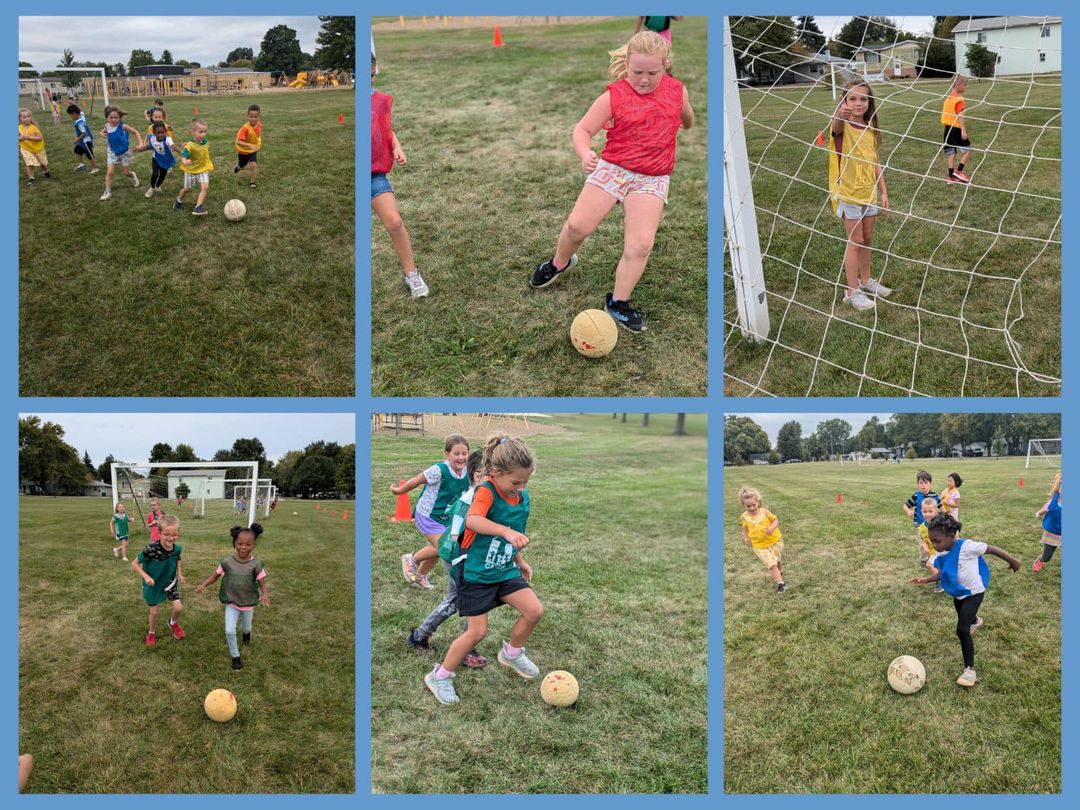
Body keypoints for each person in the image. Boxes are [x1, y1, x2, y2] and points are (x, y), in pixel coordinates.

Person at [530, 30, 694, 332]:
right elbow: (582, 130)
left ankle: (618, 302)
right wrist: (584, 154)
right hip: (613, 168)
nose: (643, 79)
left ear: (665, 65)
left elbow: (687, 118)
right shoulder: (614, 95)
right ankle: (559, 262)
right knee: (578, 226)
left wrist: (683, 120)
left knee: (641, 245)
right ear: (627, 65)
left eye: (652, 73)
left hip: (652, 177)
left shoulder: (677, 91)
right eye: (637, 72)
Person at [424, 434, 541, 705]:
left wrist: (519, 560)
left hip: (504, 569)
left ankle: (512, 653)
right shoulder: (486, 491)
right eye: (515, 482)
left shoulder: (521, 497)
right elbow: (474, 520)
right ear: (496, 473)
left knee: (534, 610)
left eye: (525, 482)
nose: (520, 488)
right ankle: (440, 675)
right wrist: (505, 531)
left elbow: (516, 532)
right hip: (476, 574)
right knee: (476, 632)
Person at [910, 514, 1020, 687]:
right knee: (966, 616)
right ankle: (976, 620)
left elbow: (992, 549)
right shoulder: (943, 552)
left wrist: (1012, 560)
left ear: (951, 536)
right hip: (959, 594)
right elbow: (943, 573)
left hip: (974, 593)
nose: (934, 545)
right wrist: (925, 580)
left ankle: (970, 671)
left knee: (962, 629)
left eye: (937, 541)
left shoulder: (968, 547)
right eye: (931, 541)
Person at [407, 449, 489, 668]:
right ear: (479, 475)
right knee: (458, 600)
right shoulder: (470, 500)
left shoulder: (486, 497)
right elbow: (458, 535)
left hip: (473, 559)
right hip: (458, 557)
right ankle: (422, 636)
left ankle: (454, 643)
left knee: (472, 600)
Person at [828, 80, 891, 312]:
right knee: (855, 242)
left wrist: (883, 191)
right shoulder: (842, 125)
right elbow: (836, 126)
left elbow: (875, 163)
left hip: (868, 194)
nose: (858, 103)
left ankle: (867, 281)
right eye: (852, 98)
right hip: (848, 194)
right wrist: (840, 114)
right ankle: (852, 292)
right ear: (844, 102)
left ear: (869, 102)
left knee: (867, 240)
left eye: (863, 98)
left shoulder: (871, 128)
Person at [371, 53, 428, 298]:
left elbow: (387, 130)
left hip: (373, 175)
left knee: (394, 222)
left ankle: (411, 274)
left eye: (370, 72)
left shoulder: (380, 101)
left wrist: (396, 147)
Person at [395, 434, 471, 590]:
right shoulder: (439, 470)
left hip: (445, 518)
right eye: (456, 453)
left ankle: (420, 576)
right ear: (447, 454)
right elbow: (417, 480)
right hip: (427, 515)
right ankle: (411, 559)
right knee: (444, 547)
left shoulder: (467, 472)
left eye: (464, 453)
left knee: (440, 549)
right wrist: (399, 490)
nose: (461, 457)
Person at [195, 523, 270, 671]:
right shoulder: (227, 562)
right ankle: (235, 657)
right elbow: (215, 576)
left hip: (248, 602)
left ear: (254, 545)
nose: (243, 547)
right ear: (235, 543)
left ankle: (246, 635)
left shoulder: (256, 565)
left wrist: (265, 594)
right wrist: (204, 584)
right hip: (232, 602)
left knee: (246, 626)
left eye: (248, 544)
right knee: (229, 630)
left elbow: (262, 582)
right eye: (240, 543)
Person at [131, 513, 186, 646]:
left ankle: (172, 623)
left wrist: (180, 574)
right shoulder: (151, 549)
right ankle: (151, 632)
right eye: (166, 534)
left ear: (178, 533)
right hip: (153, 584)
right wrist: (146, 576)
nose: (170, 538)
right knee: (154, 612)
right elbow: (134, 563)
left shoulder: (177, 549)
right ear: (159, 533)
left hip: (169, 582)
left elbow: (178, 559)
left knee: (178, 607)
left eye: (174, 535)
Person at [739, 486, 786, 593]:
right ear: (744, 505)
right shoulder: (744, 517)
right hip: (759, 545)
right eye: (748, 506)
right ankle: (781, 584)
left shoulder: (764, 512)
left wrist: (771, 528)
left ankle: (780, 572)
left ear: (758, 502)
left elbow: (775, 520)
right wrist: (746, 537)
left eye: (753, 505)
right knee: (771, 564)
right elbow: (745, 527)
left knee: (777, 560)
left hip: (774, 541)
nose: (751, 508)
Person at [98, 105, 143, 201]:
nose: (113, 120)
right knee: (110, 173)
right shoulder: (107, 125)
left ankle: (133, 175)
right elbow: (102, 132)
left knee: (126, 173)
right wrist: (101, 134)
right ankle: (107, 192)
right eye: (111, 117)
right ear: (107, 117)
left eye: (116, 118)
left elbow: (135, 132)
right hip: (112, 152)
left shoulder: (123, 126)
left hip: (124, 152)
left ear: (119, 118)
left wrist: (140, 143)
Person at [133, 119, 182, 198]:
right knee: (155, 174)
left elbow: (173, 146)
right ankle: (151, 188)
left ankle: (157, 186)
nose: (160, 134)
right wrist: (139, 150)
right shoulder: (152, 138)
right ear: (154, 133)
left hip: (165, 160)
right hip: (156, 158)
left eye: (162, 132)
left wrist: (180, 151)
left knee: (162, 175)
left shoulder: (168, 139)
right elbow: (149, 146)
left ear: (165, 131)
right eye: (158, 133)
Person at [175, 117, 212, 216]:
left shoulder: (206, 142)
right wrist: (185, 161)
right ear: (193, 132)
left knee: (205, 187)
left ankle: (198, 207)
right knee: (186, 189)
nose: (203, 134)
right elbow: (184, 156)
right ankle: (179, 199)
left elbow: (199, 147)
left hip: (203, 169)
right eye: (200, 132)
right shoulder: (189, 146)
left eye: (205, 131)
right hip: (191, 171)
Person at [902, 470, 941, 566]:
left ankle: (936, 558)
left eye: (926, 483)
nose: (923, 485)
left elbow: (941, 508)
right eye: (921, 483)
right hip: (920, 525)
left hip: (933, 525)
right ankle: (924, 560)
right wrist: (908, 511)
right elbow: (905, 505)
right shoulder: (916, 496)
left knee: (934, 541)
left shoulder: (934, 496)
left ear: (930, 484)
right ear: (918, 484)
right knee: (923, 543)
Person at [942, 75, 974, 185]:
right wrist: (963, 130)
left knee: (952, 153)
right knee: (968, 150)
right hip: (955, 128)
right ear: (957, 85)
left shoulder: (948, 98)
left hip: (947, 129)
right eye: (964, 85)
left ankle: (951, 178)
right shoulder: (959, 99)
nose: (965, 87)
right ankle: (959, 171)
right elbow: (960, 115)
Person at [1033, 473, 1062, 572]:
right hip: (1052, 534)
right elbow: (1039, 514)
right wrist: (1040, 513)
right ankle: (1040, 560)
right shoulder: (1052, 503)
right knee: (1047, 557)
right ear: (1058, 488)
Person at [18, 109, 51, 186]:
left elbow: (40, 138)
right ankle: (31, 177)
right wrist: (20, 138)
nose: (26, 118)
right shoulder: (18, 128)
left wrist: (28, 137)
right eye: (24, 117)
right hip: (26, 149)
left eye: (28, 116)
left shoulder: (34, 127)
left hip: (37, 148)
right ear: (20, 118)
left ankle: (45, 171)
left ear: (31, 118)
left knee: (41, 162)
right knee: (29, 162)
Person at [234, 104, 262, 188]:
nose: (253, 118)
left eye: (256, 116)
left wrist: (255, 145)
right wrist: (249, 145)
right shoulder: (245, 128)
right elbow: (238, 142)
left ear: (258, 116)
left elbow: (256, 136)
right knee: (242, 165)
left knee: (253, 165)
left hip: (252, 150)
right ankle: (238, 166)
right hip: (243, 150)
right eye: (251, 116)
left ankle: (252, 183)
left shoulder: (260, 125)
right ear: (248, 116)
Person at [67, 103, 98, 173]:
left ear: (74, 113)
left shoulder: (79, 123)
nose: (70, 117)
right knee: (77, 150)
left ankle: (95, 168)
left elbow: (84, 134)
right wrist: (73, 103)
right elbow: (80, 110)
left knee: (89, 154)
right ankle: (82, 164)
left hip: (86, 141)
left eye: (70, 115)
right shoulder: (81, 115)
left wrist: (76, 140)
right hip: (82, 141)